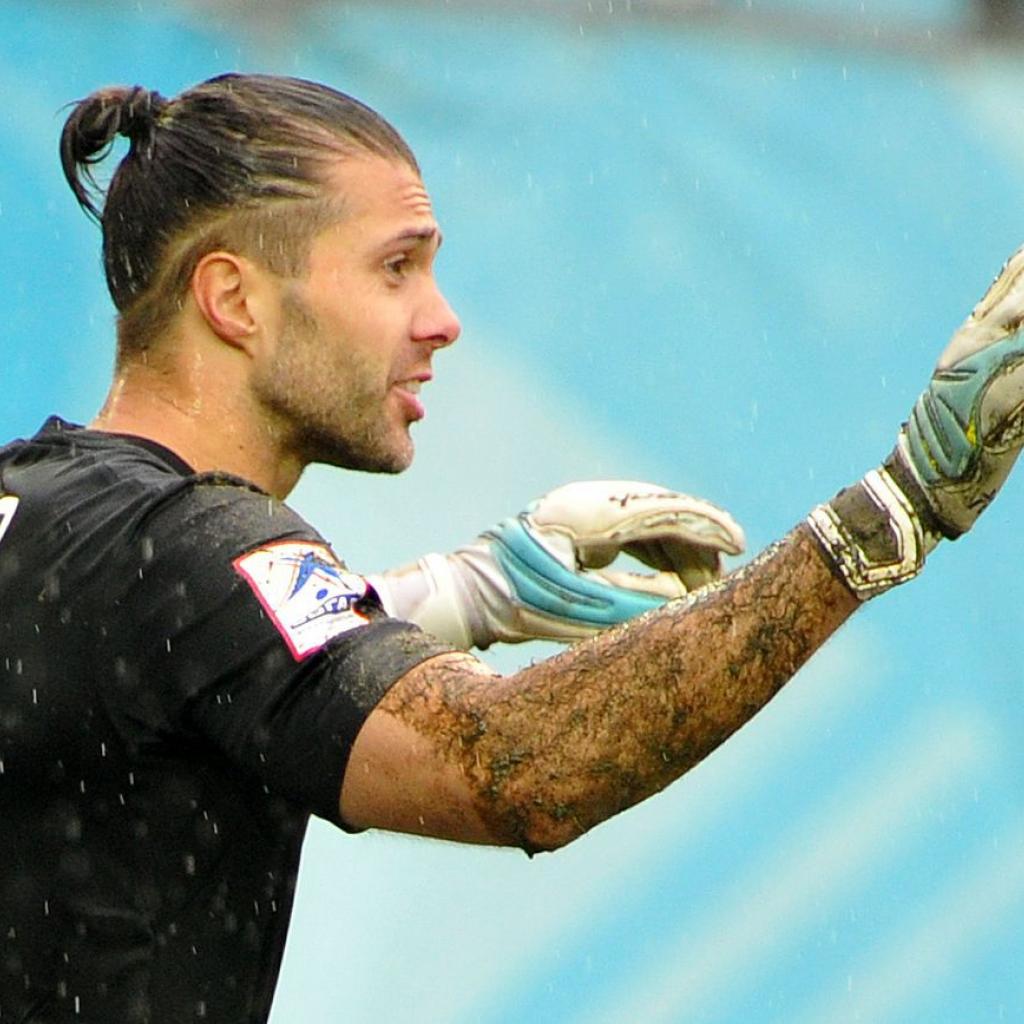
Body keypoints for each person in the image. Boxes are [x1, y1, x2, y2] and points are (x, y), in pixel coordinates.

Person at [0, 73, 1021, 1023]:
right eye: (395, 267)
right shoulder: (195, 547)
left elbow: (154, 656)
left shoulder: (41, 506)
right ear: (234, 300)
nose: (441, 320)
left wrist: (469, 589)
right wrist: (891, 514)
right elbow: (512, 769)